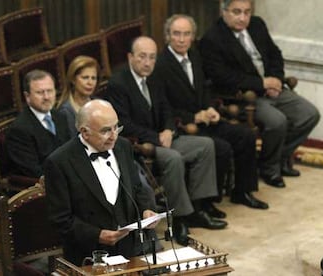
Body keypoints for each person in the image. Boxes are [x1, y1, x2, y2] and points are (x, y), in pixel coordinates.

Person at [104, 36, 227, 246]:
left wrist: (169, 129)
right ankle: (179, 220)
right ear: (130, 57)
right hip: (141, 145)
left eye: (152, 57)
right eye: (142, 57)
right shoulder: (118, 83)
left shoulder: (154, 77)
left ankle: (198, 209)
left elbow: (166, 108)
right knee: (173, 158)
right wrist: (157, 137)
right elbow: (123, 123)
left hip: (163, 138)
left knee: (206, 145)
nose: (147, 62)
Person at [200, 0, 320, 187]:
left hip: (273, 89)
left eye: (247, 12)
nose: (243, 18)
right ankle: (270, 169)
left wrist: (276, 80)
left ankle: (276, 158)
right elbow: (223, 77)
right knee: (277, 121)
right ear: (224, 12)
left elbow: (274, 54)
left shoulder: (257, 25)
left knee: (309, 114)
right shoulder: (212, 39)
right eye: (237, 12)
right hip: (244, 97)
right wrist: (262, 84)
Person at [155, 14, 268, 210]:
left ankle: (242, 191)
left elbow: (207, 88)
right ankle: (206, 203)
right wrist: (193, 117)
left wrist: (211, 108)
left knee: (245, 135)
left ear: (192, 37)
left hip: (206, 119)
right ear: (167, 37)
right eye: (176, 34)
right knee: (220, 147)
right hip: (185, 126)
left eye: (186, 34)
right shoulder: (160, 65)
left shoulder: (195, 56)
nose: (181, 39)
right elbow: (163, 106)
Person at [45, 99, 159, 266]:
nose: (114, 135)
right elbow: (60, 219)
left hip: (130, 248)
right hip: (88, 254)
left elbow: (137, 188)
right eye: (106, 130)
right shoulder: (59, 162)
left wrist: (146, 210)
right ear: (85, 132)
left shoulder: (123, 146)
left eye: (116, 127)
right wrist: (97, 235)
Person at [5, 70, 71, 178]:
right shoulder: (19, 130)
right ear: (27, 96)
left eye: (50, 91)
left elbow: (70, 150)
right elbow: (34, 171)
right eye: (40, 92)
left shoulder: (60, 116)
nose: (46, 97)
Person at [56, 55, 100, 138]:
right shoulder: (64, 113)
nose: (90, 83)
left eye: (93, 78)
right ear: (73, 79)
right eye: (85, 78)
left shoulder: (100, 103)